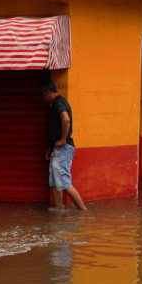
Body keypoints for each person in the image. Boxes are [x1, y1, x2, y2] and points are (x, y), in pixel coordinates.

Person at [40, 80, 87, 211]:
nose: (42, 98)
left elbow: (66, 119)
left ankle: (83, 212)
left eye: (41, 94)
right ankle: (59, 211)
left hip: (62, 148)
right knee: (54, 182)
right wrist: (51, 147)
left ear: (47, 93)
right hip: (57, 149)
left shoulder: (58, 102)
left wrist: (62, 140)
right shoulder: (56, 103)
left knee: (64, 182)